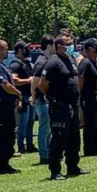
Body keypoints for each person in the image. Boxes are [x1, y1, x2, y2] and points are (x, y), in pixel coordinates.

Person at [39, 34, 86, 180]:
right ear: (59, 46)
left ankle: (73, 166)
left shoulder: (70, 59)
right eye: (68, 44)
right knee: (59, 139)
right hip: (60, 106)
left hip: (73, 105)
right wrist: (54, 98)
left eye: (72, 43)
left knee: (74, 138)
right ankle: (55, 170)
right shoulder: (53, 62)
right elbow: (42, 84)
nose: (72, 46)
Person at [0, 39, 22, 175]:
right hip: (0, 108)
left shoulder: (1, 65)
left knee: (9, 135)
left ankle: (5, 164)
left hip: (6, 107)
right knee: (2, 136)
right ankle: (0, 166)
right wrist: (18, 93)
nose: (8, 51)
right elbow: (5, 85)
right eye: (6, 48)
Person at [9, 41, 36, 154]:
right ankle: (21, 146)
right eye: (26, 48)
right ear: (20, 50)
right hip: (22, 97)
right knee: (23, 124)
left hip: (30, 97)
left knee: (31, 122)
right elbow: (13, 80)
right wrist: (28, 81)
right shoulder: (15, 64)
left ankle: (30, 144)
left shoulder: (27, 63)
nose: (28, 50)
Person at [78, 39, 97, 156]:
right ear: (90, 49)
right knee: (90, 123)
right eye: (96, 46)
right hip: (88, 97)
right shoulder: (85, 62)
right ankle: (89, 148)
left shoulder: (95, 62)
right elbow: (80, 79)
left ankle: (96, 146)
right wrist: (79, 95)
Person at [32, 35, 54, 165]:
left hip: (46, 99)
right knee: (44, 128)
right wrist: (34, 97)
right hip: (41, 99)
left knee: (48, 128)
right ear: (49, 46)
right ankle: (44, 154)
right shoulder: (41, 61)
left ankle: (48, 151)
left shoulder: (46, 59)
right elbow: (35, 81)